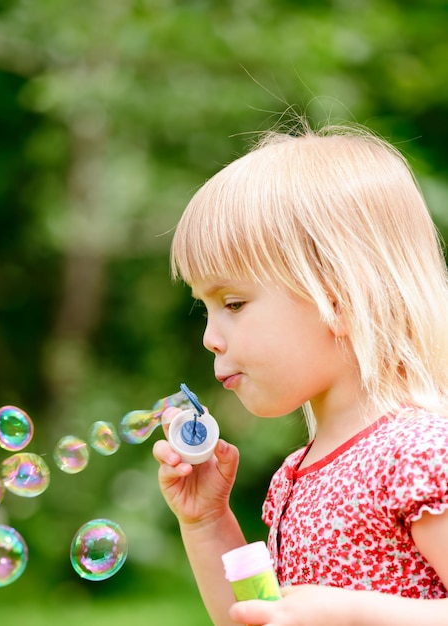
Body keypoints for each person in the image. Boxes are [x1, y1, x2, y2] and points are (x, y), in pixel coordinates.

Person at [152, 120, 448, 625]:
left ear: (339, 297)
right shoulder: (296, 475)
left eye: (234, 302)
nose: (209, 335)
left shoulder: (418, 454)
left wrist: (354, 616)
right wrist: (206, 521)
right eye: (205, 308)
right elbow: (253, 618)